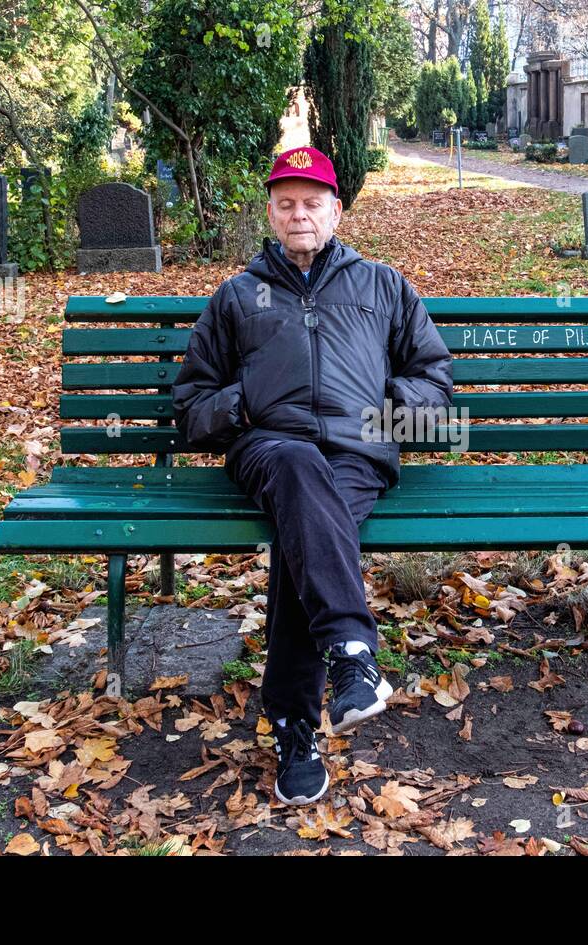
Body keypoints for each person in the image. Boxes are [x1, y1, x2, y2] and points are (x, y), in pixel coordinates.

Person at [172, 146, 453, 805]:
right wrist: (244, 401)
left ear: (337, 210)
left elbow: (435, 382)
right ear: (270, 213)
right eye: (286, 203)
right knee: (299, 469)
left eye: (312, 202)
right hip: (268, 452)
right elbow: (191, 407)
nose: (299, 214)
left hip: (357, 456)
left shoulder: (383, 286)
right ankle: (352, 654)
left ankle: (296, 729)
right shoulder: (239, 296)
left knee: (307, 545)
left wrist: (393, 402)